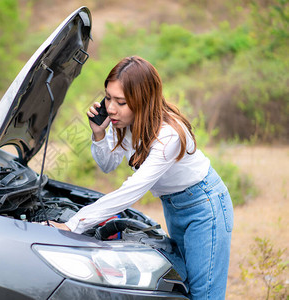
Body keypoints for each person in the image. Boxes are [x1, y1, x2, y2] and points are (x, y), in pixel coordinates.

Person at [49, 56, 234, 299]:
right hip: (174, 206)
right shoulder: (123, 123)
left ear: (142, 101)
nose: (111, 108)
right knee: (183, 284)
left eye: (121, 102)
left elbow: (132, 191)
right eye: (108, 98)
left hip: (204, 206)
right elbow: (107, 164)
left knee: (204, 294)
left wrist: (73, 224)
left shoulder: (168, 136)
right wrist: (98, 134)